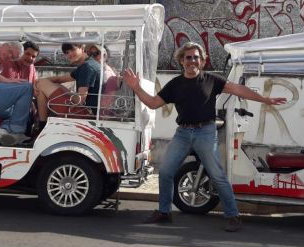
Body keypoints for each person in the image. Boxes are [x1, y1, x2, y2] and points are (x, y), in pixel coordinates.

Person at [122, 42, 287, 232]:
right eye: (188, 57)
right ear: (182, 61)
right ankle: (164, 212)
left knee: (217, 174)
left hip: (206, 132)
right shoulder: (175, 84)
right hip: (182, 133)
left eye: (196, 57)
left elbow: (238, 90)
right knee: (166, 172)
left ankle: (233, 216)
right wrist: (136, 87)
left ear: (202, 61)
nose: (192, 61)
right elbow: (152, 103)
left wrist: (265, 100)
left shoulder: (211, 80)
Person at [34, 42, 101, 125]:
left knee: (41, 84)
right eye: (66, 52)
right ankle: (42, 123)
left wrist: (40, 84)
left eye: (73, 50)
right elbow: (59, 79)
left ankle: (41, 124)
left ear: (82, 48)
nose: (69, 54)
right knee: (43, 84)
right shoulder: (91, 64)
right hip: (90, 111)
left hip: (84, 114)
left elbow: (80, 99)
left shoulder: (87, 67)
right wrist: (36, 82)